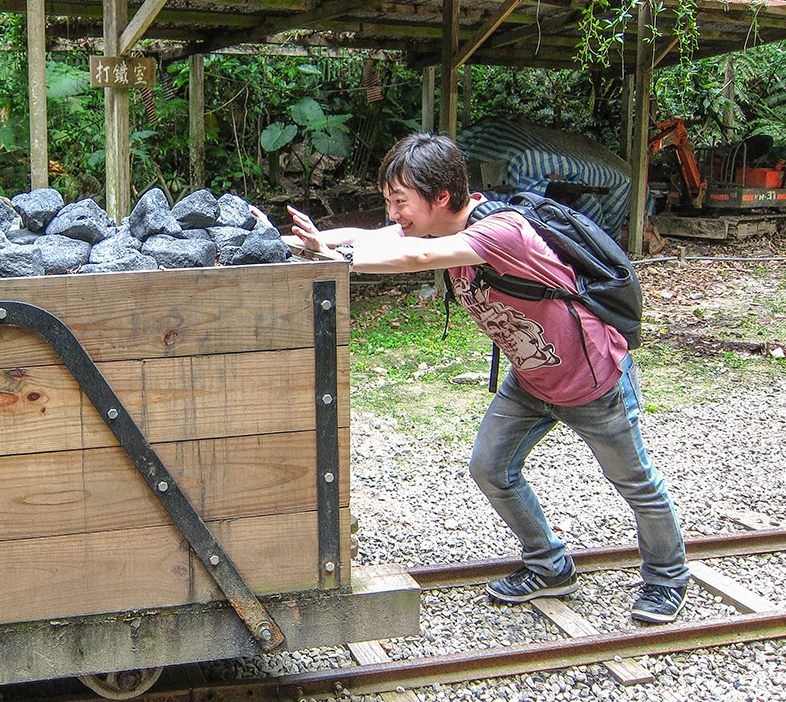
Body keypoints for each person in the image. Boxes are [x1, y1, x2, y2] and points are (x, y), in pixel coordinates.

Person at [285, 132, 691, 624]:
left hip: (592, 380)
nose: (393, 213)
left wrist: (339, 260)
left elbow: (416, 259)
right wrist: (309, 241)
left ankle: (668, 577)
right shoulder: (434, 229)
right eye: (389, 201)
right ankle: (549, 566)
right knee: (490, 468)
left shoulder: (502, 232)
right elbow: (374, 236)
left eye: (399, 201)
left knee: (633, 481)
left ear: (440, 198)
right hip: (531, 379)